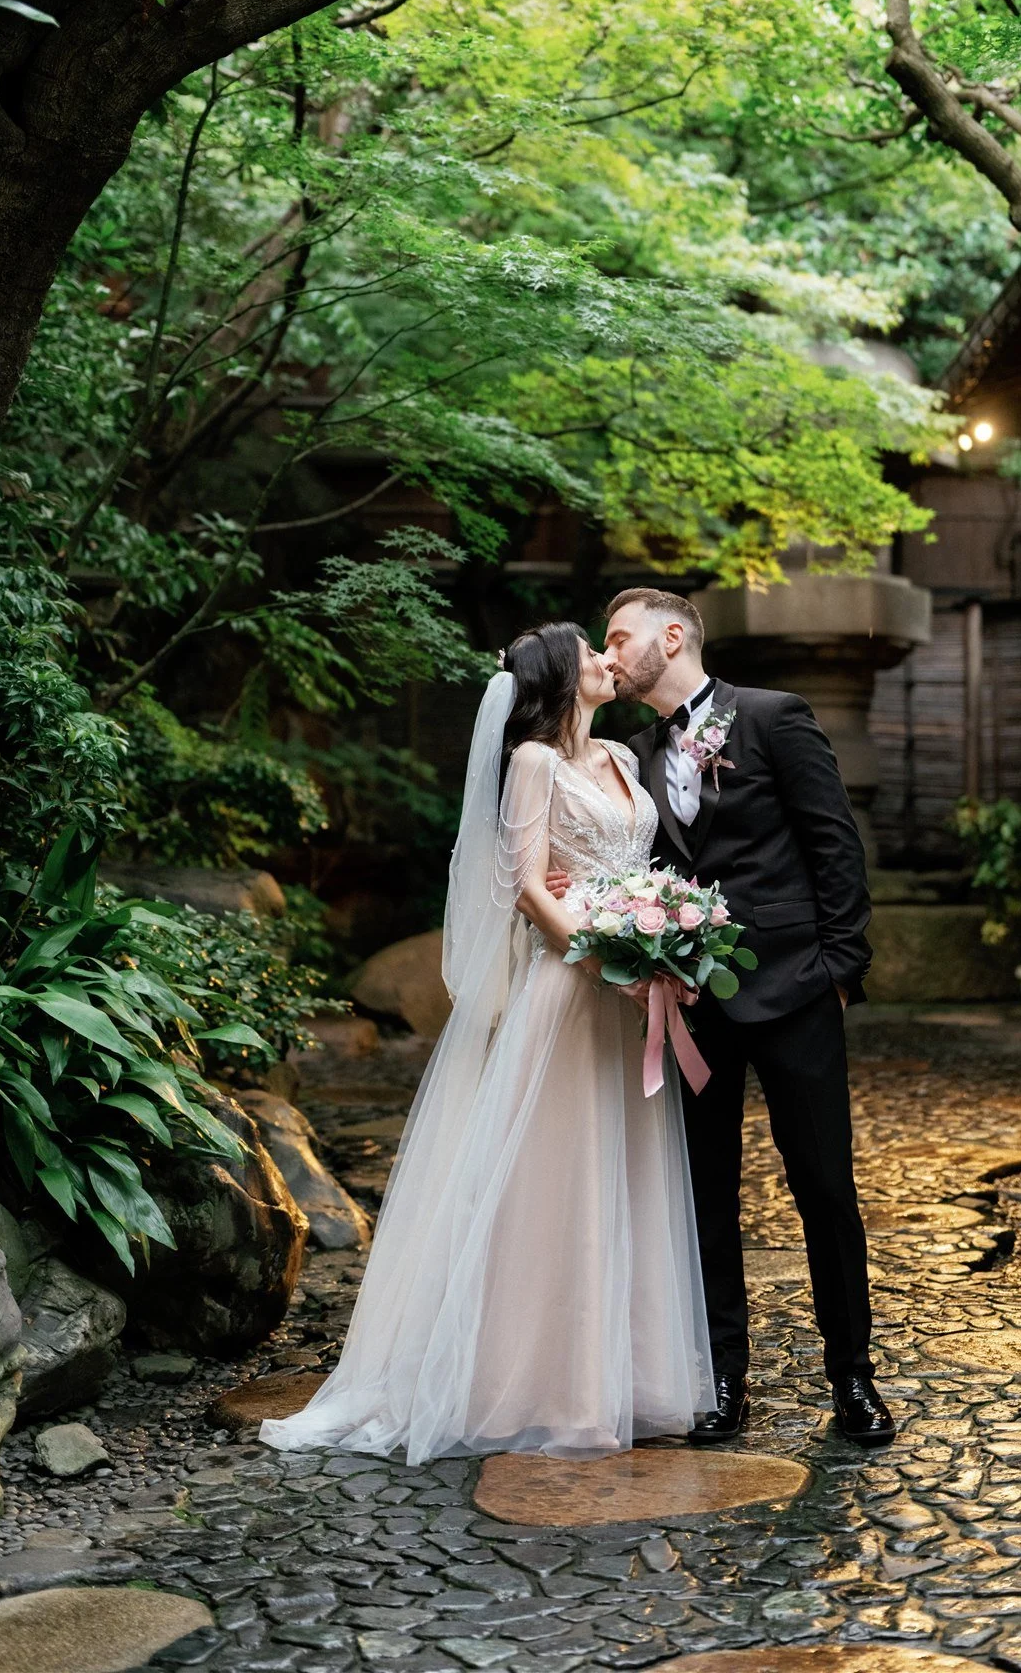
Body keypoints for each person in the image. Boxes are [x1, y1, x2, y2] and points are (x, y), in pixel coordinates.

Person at [261, 622, 712, 1462]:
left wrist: (660, 933)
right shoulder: (532, 762)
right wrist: (601, 947)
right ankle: (541, 1386)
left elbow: (637, 865)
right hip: (571, 990)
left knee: (623, 1178)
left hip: (626, 1002)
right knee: (552, 1187)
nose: (608, 662)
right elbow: (526, 887)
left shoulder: (619, 757)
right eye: (592, 652)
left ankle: (630, 1376)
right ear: (558, 675)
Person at [552, 587, 893, 1447]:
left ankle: (852, 1377)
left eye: (620, 636)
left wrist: (840, 973)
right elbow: (622, 861)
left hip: (796, 993)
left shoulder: (775, 718)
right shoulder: (630, 752)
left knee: (824, 1188)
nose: (610, 651)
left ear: (673, 637)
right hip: (689, 1005)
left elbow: (834, 845)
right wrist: (573, 896)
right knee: (703, 1196)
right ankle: (722, 1380)